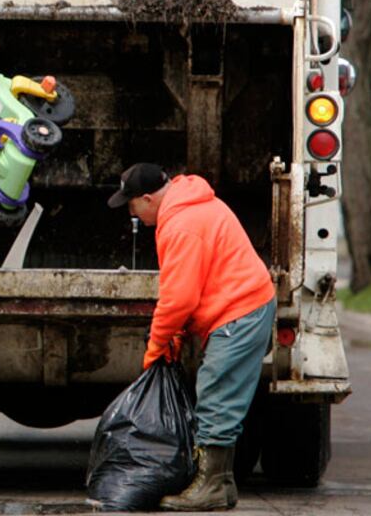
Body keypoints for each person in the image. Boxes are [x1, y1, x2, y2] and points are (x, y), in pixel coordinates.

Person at [107, 163, 276, 512]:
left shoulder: (181, 224)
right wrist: (177, 334)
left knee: (216, 393)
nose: (130, 211)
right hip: (244, 304)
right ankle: (222, 484)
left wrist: (156, 346)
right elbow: (194, 284)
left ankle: (211, 484)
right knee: (219, 389)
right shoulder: (187, 205)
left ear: (148, 198)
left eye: (131, 204)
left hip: (239, 310)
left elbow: (178, 299)